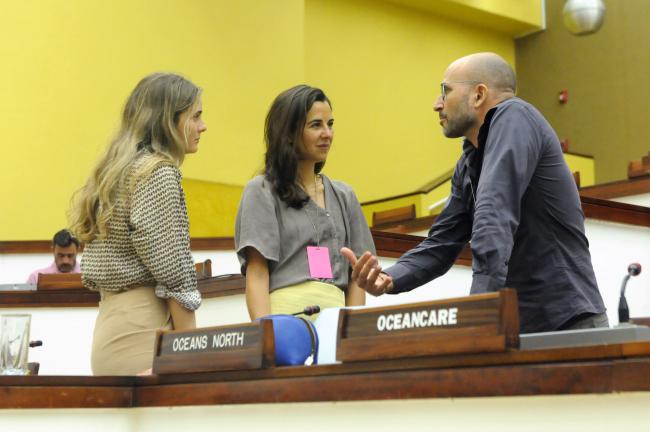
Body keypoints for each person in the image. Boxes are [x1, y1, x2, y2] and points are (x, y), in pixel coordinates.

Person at [342, 52, 607, 334]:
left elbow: (494, 213)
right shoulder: (469, 161)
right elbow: (442, 243)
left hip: (567, 322)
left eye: (445, 91)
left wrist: (478, 311)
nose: (437, 104)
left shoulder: (515, 116)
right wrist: (390, 277)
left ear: (479, 95)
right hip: (518, 325)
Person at [69, 73, 207, 375]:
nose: (203, 126)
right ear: (170, 121)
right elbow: (174, 272)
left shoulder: (115, 171)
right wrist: (192, 350)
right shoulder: (157, 174)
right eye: (195, 116)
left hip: (110, 329)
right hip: (146, 334)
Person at [235, 84, 375, 322]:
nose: (327, 134)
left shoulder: (345, 195)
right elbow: (257, 274)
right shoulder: (261, 190)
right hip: (286, 324)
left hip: (336, 325)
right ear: (288, 133)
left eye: (330, 124)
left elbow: (357, 279)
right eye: (316, 125)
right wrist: (268, 337)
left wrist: (350, 335)